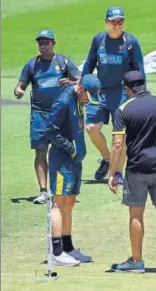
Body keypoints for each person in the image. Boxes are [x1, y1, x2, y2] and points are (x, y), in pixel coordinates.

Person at [108, 71, 156, 275]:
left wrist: (112, 172)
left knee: (136, 214)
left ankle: (137, 261)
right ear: (144, 84)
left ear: (127, 88)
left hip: (136, 169)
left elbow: (117, 145)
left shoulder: (123, 109)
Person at [14, 30, 81, 204]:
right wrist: (18, 90)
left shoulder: (63, 62)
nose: (43, 46)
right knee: (40, 150)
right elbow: (20, 85)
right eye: (40, 43)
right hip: (40, 114)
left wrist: (71, 82)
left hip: (61, 114)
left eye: (46, 43)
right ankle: (44, 192)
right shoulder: (32, 65)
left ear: (53, 43)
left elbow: (81, 81)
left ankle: (66, 185)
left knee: (64, 149)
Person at [40, 74, 101, 266]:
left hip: (75, 161)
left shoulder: (77, 99)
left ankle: (68, 247)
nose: (87, 101)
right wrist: (71, 147)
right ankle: (56, 253)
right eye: (87, 97)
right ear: (81, 89)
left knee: (70, 202)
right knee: (59, 202)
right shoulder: (64, 101)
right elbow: (50, 129)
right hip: (62, 160)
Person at [82, 6, 145, 184]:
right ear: (106, 22)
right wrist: (82, 87)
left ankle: (117, 172)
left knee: (120, 137)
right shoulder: (98, 40)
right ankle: (108, 159)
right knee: (91, 128)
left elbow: (140, 70)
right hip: (100, 92)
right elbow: (88, 65)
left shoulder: (131, 42)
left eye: (120, 21)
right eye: (113, 21)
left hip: (122, 93)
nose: (117, 25)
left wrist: (140, 94)